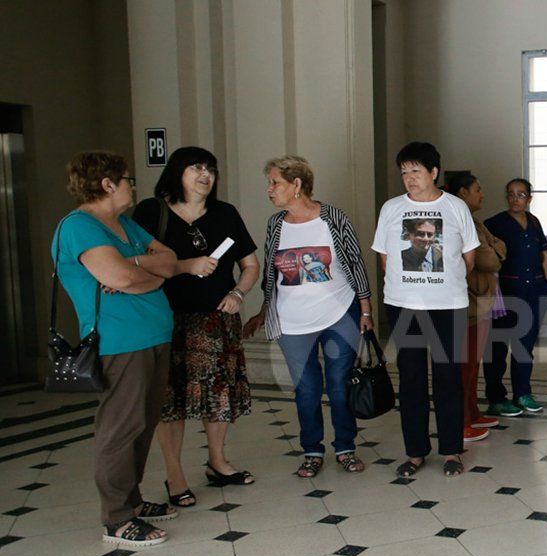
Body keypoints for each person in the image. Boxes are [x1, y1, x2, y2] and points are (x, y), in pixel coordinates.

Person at [54, 151, 177, 546]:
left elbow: (170, 262)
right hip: (119, 341)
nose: (133, 185)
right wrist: (144, 273)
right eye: (127, 179)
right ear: (107, 184)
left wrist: (141, 268)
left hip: (154, 335)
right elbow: (120, 276)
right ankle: (117, 518)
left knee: (143, 422)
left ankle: (133, 501)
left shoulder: (123, 224)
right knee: (121, 427)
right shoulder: (79, 227)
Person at [131, 147, 259, 508]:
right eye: (197, 168)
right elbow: (137, 262)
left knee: (217, 395)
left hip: (217, 319)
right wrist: (187, 264)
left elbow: (250, 265)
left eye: (211, 169)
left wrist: (238, 293)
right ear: (177, 172)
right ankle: (174, 474)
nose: (206, 175)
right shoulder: (151, 211)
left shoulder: (225, 213)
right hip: (166, 318)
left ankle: (217, 462)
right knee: (169, 398)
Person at [243, 155, 373, 478]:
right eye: (270, 183)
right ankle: (312, 450)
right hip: (292, 321)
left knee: (340, 385)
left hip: (339, 314)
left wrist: (366, 310)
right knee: (306, 389)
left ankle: (345, 447)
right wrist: (263, 312)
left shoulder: (333, 218)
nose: (269, 190)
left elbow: (356, 264)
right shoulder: (275, 224)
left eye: (275, 183)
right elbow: (271, 274)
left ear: (296, 185)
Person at [375, 142, 479, 477]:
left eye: (415, 170)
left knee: (449, 377)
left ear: (434, 172)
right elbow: (385, 257)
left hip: (448, 305)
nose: (409, 178)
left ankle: (451, 451)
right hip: (404, 305)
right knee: (411, 378)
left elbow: (469, 257)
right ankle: (415, 452)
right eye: (404, 171)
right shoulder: (391, 208)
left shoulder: (456, 207)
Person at [446, 171, 506, 441]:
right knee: (464, 366)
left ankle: (472, 411)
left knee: (472, 364)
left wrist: (493, 247)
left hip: (480, 300)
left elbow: (500, 248)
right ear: (462, 193)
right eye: (477, 189)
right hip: (468, 301)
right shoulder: (459, 221)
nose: (482, 193)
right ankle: (460, 423)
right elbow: (491, 260)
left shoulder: (475, 220)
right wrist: (493, 248)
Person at [484, 178, 547, 416]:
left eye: (521, 194)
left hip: (533, 292)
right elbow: (484, 258)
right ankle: (496, 397)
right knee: (497, 347)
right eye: (511, 194)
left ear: (529, 198)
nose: (515, 199)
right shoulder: (494, 224)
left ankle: (522, 393)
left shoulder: (534, 222)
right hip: (504, 295)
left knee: (524, 347)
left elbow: (544, 255)